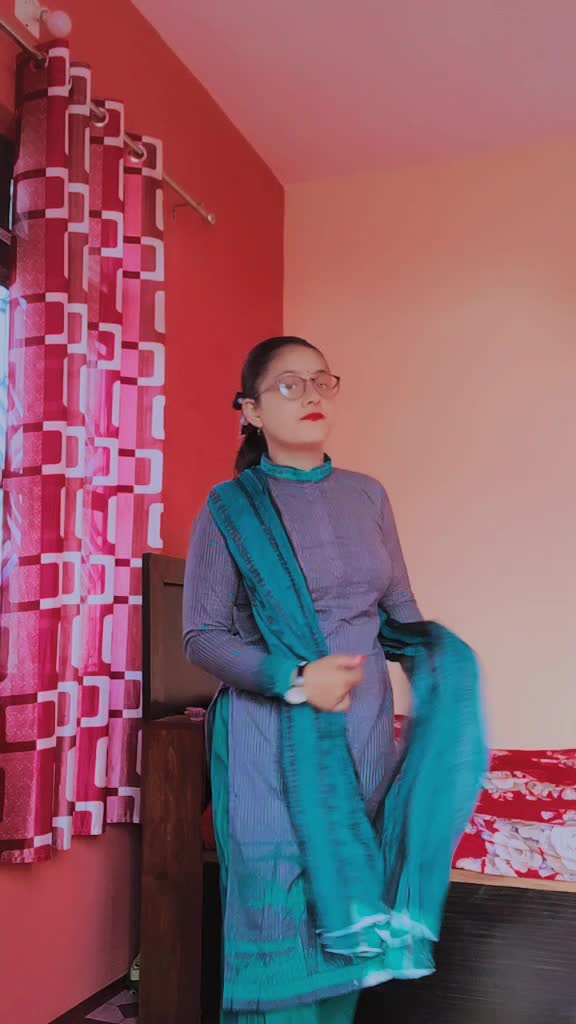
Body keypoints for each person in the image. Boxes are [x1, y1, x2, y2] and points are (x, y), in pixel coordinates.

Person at [183, 336, 484, 1023]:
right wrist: (294, 678)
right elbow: (201, 637)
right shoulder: (228, 510)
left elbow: (398, 610)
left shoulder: (368, 495)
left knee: (348, 913)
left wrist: (443, 661)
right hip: (268, 736)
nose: (312, 394)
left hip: (363, 730)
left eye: (322, 381)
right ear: (251, 410)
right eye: (290, 385)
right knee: (281, 916)